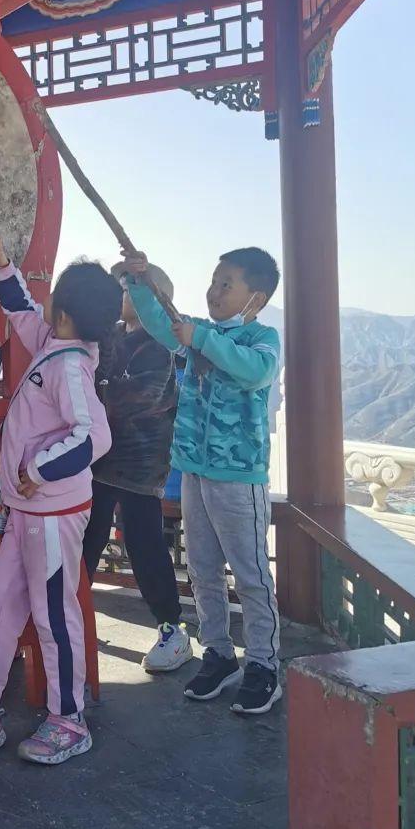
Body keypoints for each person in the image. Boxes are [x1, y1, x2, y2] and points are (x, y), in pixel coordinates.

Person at [0, 238, 122, 764]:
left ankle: (69, 721)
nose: (45, 300)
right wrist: (3, 267)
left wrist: (37, 468)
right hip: (27, 512)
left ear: (67, 314)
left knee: (54, 616)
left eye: (54, 295)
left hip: (52, 514)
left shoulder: (69, 366)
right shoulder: (55, 344)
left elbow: (94, 436)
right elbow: (22, 313)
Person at [119, 246, 282, 715]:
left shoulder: (262, 339)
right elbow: (158, 321)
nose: (214, 291)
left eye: (226, 284)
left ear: (256, 298)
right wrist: (138, 281)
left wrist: (203, 340)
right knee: (203, 570)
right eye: (213, 281)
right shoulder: (196, 333)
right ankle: (218, 654)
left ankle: (263, 665)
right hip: (194, 470)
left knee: (250, 576)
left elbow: (255, 372)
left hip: (239, 479)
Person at [82, 265, 193, 672]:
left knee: (144, 546)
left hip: (140, 465)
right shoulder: (109, 334)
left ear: (152, 299)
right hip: (100, 460)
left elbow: (139, 398)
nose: (121, 295)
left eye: (128, 290)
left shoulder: (160, 346)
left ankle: (172, 630)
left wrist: (90, 394)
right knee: (86, 542)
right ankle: (73, 616)